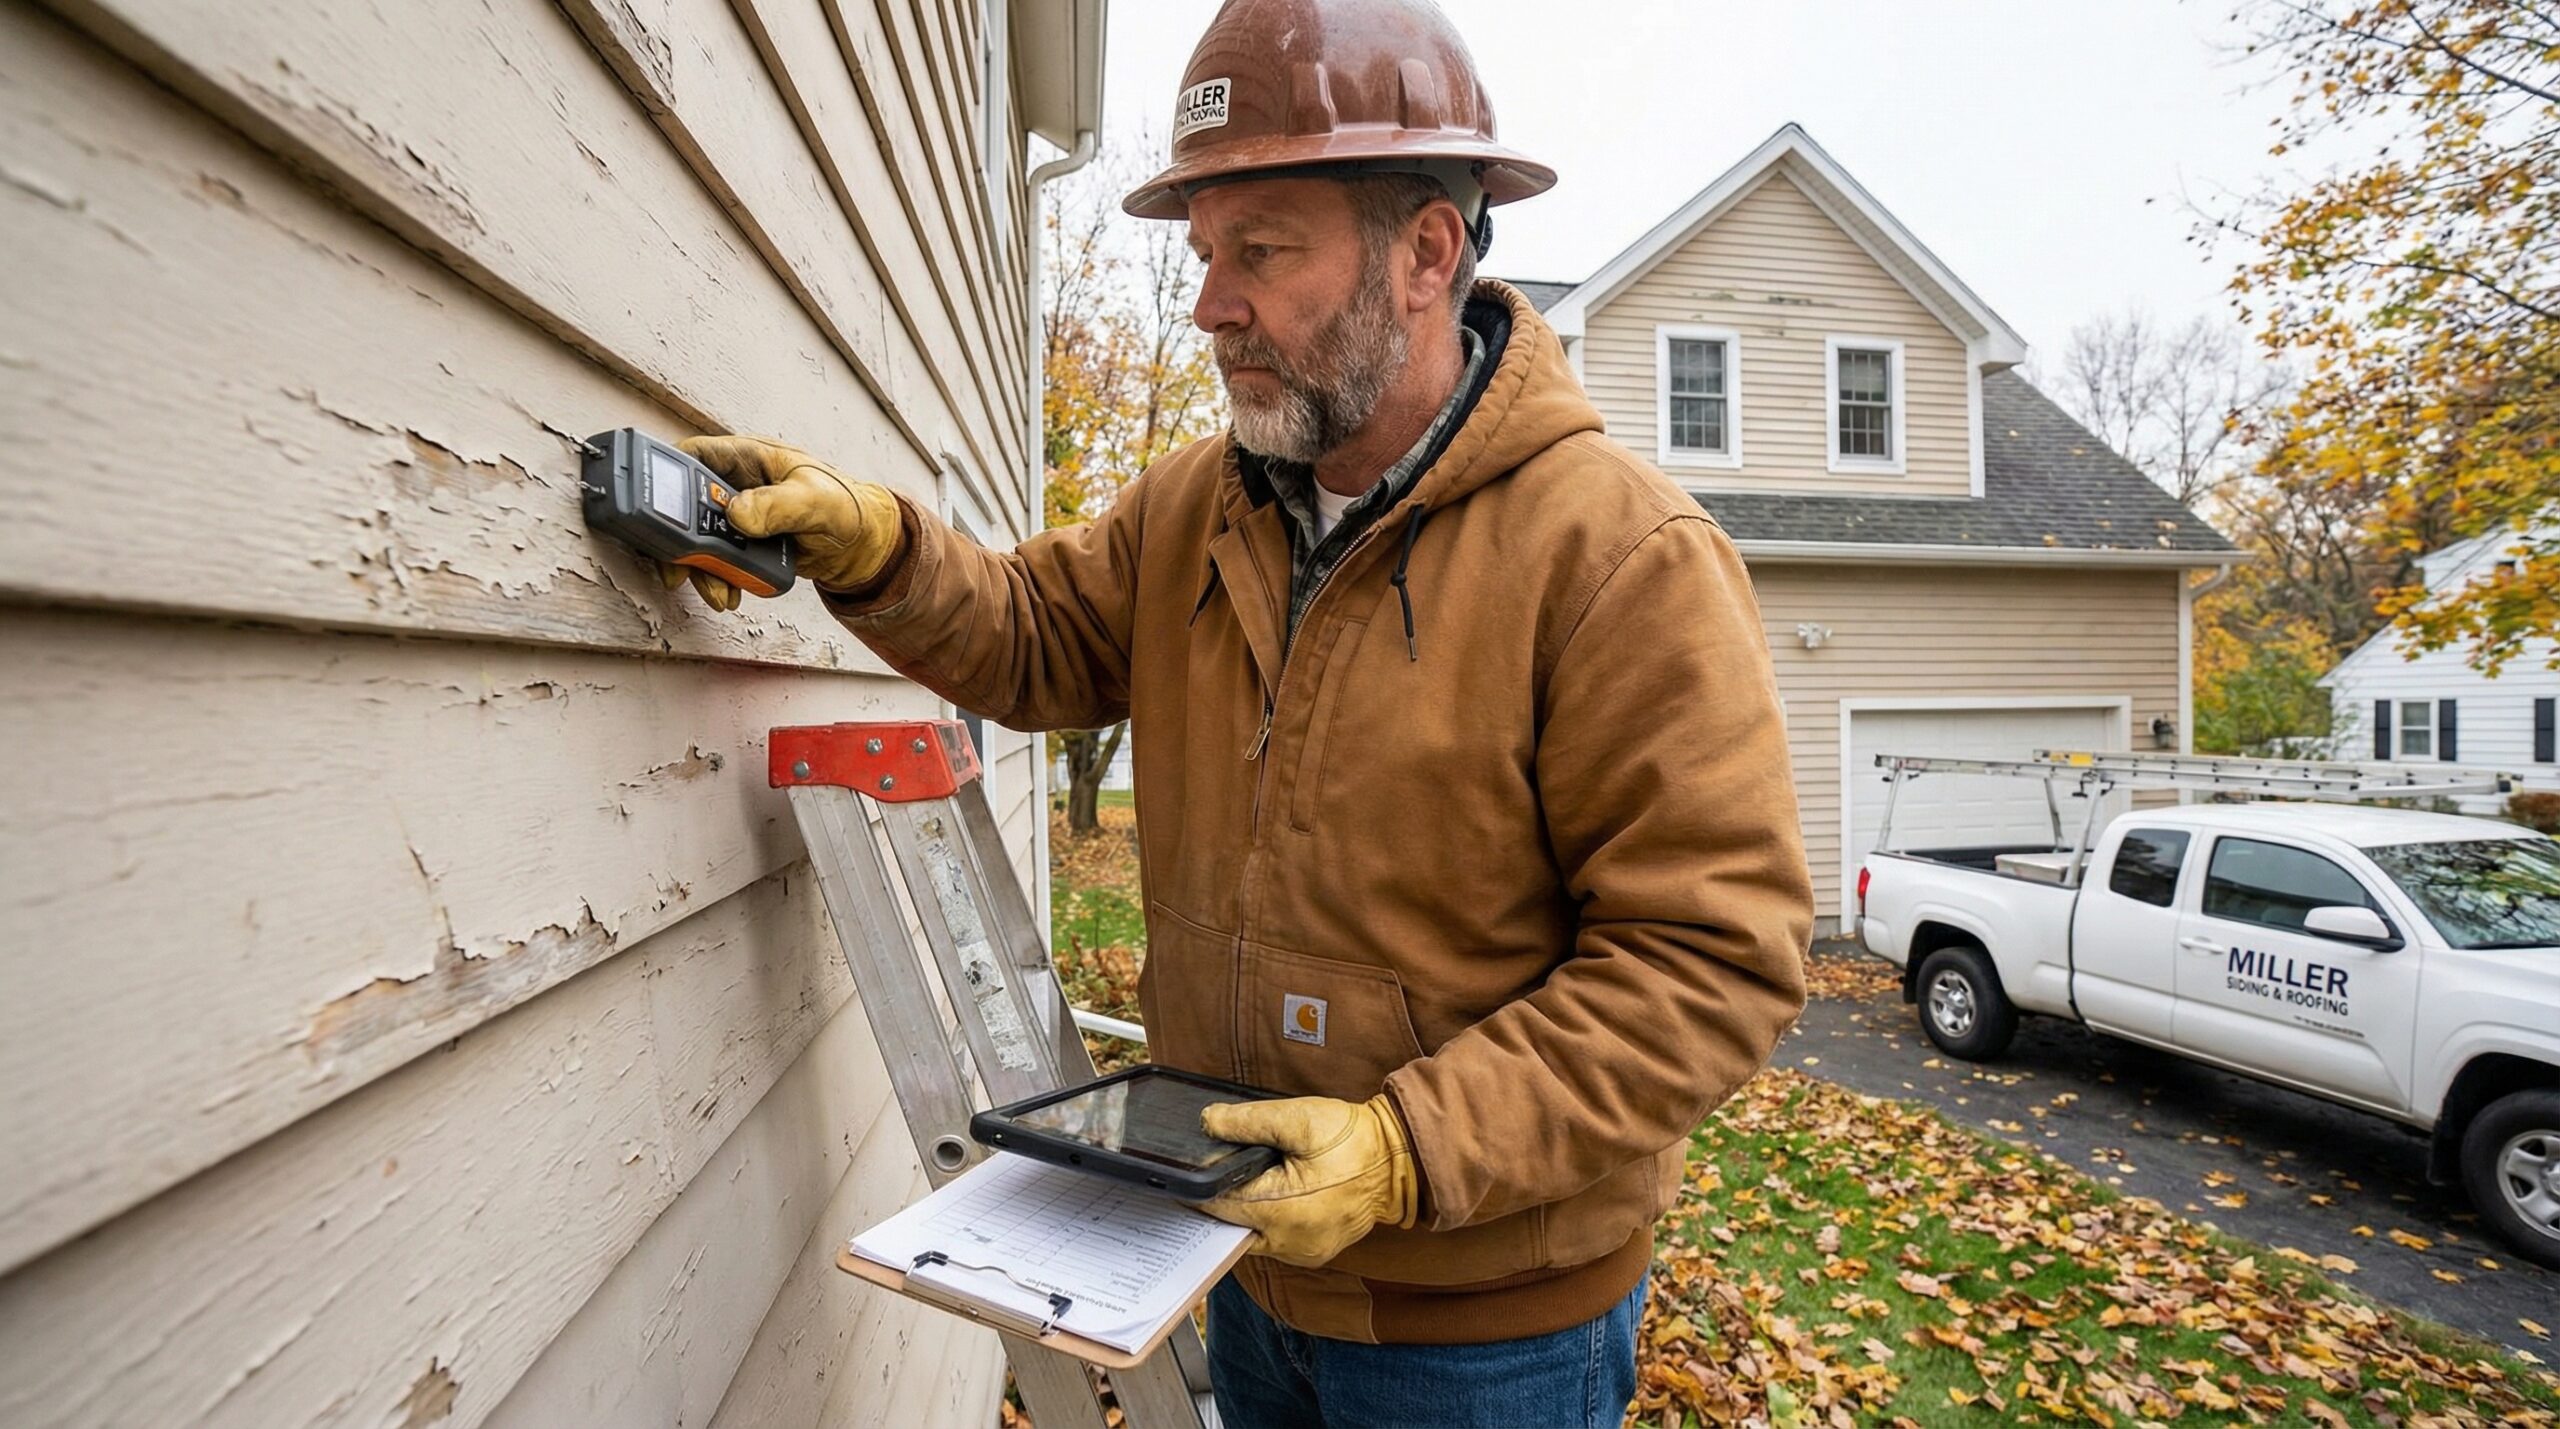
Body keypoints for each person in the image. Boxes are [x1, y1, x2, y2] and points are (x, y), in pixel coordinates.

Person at [671, 1, 1813, 1422]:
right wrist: (882, 550)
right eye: (1205, 254)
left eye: (1260, 251)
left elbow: (1711, 955)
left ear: (1427, 255)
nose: (1209, 305)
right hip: (1245, 1269)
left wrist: (1403, 1152)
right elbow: (1033, 634)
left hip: (1487, 1340)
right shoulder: (1197, 508)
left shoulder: (1619, 556)